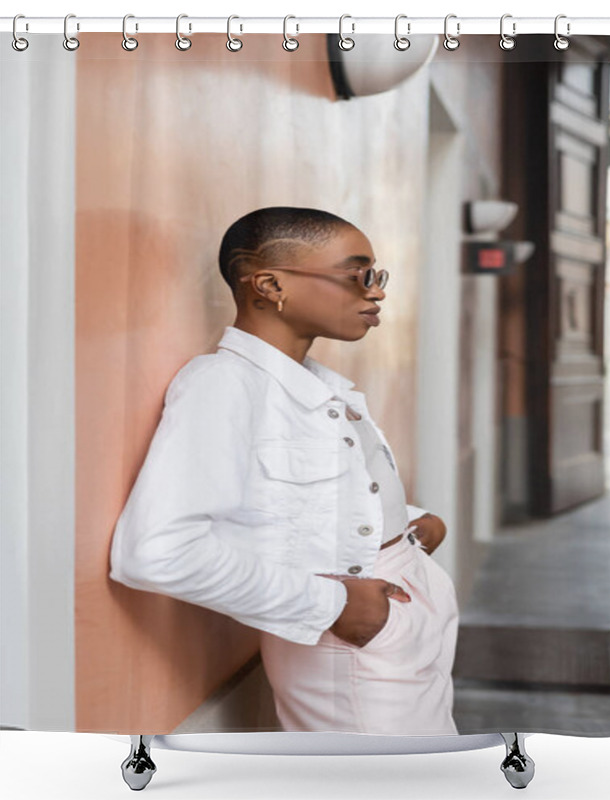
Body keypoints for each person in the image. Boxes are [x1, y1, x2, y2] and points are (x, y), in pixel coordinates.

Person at [108, 206, 460, 735]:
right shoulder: (223, 385)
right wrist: (338, 605)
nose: (377, 292)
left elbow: (293, 500)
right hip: (353, 634)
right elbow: (156, 553)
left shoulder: (318, 385)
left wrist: (406, 524)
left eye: (377, 276)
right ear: (271, 285)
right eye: (358, 274)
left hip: (399, 610)